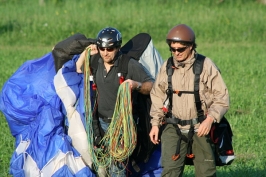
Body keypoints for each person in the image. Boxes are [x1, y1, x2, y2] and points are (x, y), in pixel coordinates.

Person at [149, 24, 230, 177]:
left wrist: (210, 119)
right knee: (169, 172)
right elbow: (157, 97)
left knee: (206, 172)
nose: (176, 53)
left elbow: (222, 97)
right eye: (172, 49)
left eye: (180, 49)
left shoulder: (205, 66)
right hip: (173, 126)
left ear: (191, 46)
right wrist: (155, 124)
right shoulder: (167, 67)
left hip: (200, 126)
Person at [88, 27, 155, 177]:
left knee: (116, 168)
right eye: (102, 48)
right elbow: (78, 68)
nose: (105, 52)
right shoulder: (95, 61)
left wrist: (135, 85)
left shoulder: (129, 64)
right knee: (101, 168)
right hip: (99, 123)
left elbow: (152, 85)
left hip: (121, 125)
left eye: (110, 49)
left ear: (118, 47)